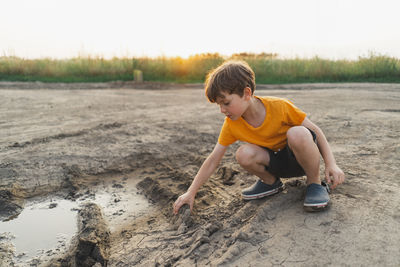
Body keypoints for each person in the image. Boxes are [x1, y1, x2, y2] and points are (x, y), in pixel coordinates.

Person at [173, 60, 345, 214]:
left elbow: (317, 131)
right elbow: (213, 159)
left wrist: (331, 164)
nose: (222, 110)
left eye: (226, 103)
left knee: (298, 132)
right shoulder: (231, 124)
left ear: (247, 93)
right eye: (219, 105)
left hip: (301, 160)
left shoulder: (280, 107)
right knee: (243, 153)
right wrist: (191, 192)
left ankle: (314, 184)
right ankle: (270, 183)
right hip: (274, 164)